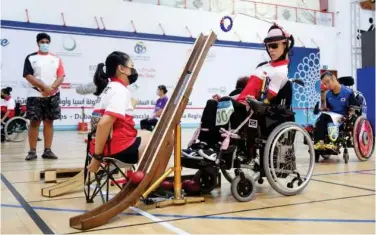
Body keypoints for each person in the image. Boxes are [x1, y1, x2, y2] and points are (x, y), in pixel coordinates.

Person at [183, 23, 294, 161]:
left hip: (252, 109)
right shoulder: (263, 67)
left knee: (225, 103)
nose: (271, 50)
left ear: (285, 45)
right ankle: (203, 143)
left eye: (275, 46)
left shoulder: (280, 72)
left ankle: (215, 145)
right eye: (268, 46)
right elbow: (247, 91)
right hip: (242, 103)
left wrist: (258, 103)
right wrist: (227, 97)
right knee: (212, 103)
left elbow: (268, 98)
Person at [86, 51, 152, 173]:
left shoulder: (108, 88)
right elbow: (103, 124)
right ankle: (149, 184)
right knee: (163, 141)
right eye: (131, 67)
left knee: (147, 133)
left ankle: (139, 178)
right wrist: (97, 157)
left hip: (99, 146)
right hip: (116, 149)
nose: (133, 71)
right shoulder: (120, 90)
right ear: (121, 68)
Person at [23, 33, 65, 160]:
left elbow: (61, 76)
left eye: (47, 42)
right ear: (38, 43)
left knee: (49, 123)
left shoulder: (56, 59)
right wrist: (44, 88)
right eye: (42, 42)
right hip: (35, 95)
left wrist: (51, 89)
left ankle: (47, 150)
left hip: (52, 95)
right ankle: (32, 151)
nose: (45, 44)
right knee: (34, 123)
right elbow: (28, 75)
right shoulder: (30, 58)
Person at [313, 71, 361, 151]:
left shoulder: (348, 92)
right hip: (332, 115)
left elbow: (354, 106)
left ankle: (333, 143)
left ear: (334, 78)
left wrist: (351, 111)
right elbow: (328, 108)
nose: (327, 85)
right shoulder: (328, 95)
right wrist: (321, 109)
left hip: (343, 118)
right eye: (325, 84)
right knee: (321, 119)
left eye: (328, 82)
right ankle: (319, 142)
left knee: (331, 121)